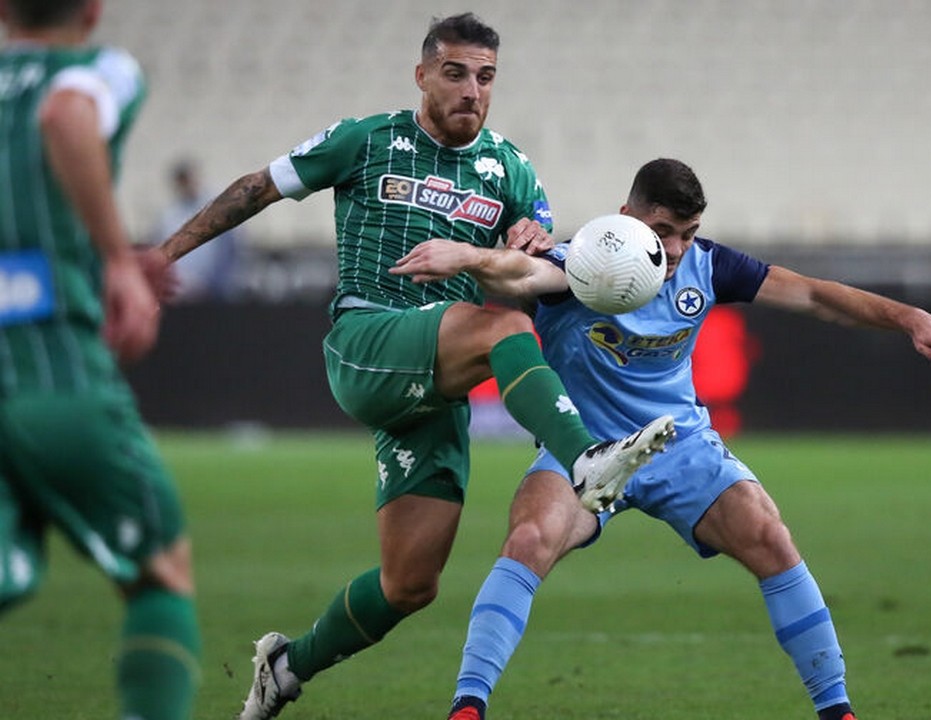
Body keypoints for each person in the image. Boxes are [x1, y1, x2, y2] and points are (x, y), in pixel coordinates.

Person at [147, 13, 674, 719]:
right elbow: (255, 189)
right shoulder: (366, 139)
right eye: (455, 73)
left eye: (485, 77)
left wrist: (530, 240)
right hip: (368, 340)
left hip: (434, 381)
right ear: (422, 75)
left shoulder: (511, 169)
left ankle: (286, 666)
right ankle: (587, 460)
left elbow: (535, 267)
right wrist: (160, 258)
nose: (471, 90)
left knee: (410, 584)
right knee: (504, 328)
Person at [391, 158, 931, 720]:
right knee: (528, 539)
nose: (674, 249)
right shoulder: (586, 263)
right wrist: (469, 257)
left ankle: (838, 709)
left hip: (679, 444)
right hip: (586, 449)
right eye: (662, 231)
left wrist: (910, 317)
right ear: (626, 215)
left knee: (769, 536)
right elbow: (522, 271)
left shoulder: (708, 265)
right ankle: (467, 706)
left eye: (687, 233)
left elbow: (812, 294)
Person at [0, 1, 200, 719]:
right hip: (53, 365)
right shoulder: (100, 69)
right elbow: (65, 114)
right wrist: (116, 257)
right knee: (160, 573)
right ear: (92, 10)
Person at [152, 158, 242, 302]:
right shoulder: (169, 216)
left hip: (212, 292)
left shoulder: (217, 207)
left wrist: (217, 285)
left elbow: (229, 251)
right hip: (179, 292)